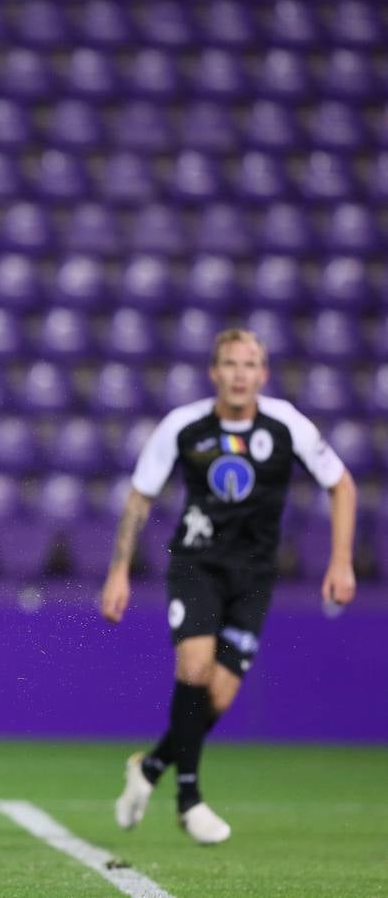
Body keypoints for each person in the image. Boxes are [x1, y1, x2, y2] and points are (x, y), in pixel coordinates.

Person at [101, 328, 357, 844]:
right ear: (214, 372)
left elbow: (341, 483)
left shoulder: (288, 425)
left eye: (250, 364)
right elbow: (139, 498)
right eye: (230, 364)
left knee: (216, 698)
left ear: (263, 374)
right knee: (194, 667)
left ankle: (149, 768)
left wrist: (341, 562)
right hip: (196, 563)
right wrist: (118, 570)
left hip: (254, 576)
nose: (240, 374)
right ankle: (189, 798)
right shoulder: (183, 426)